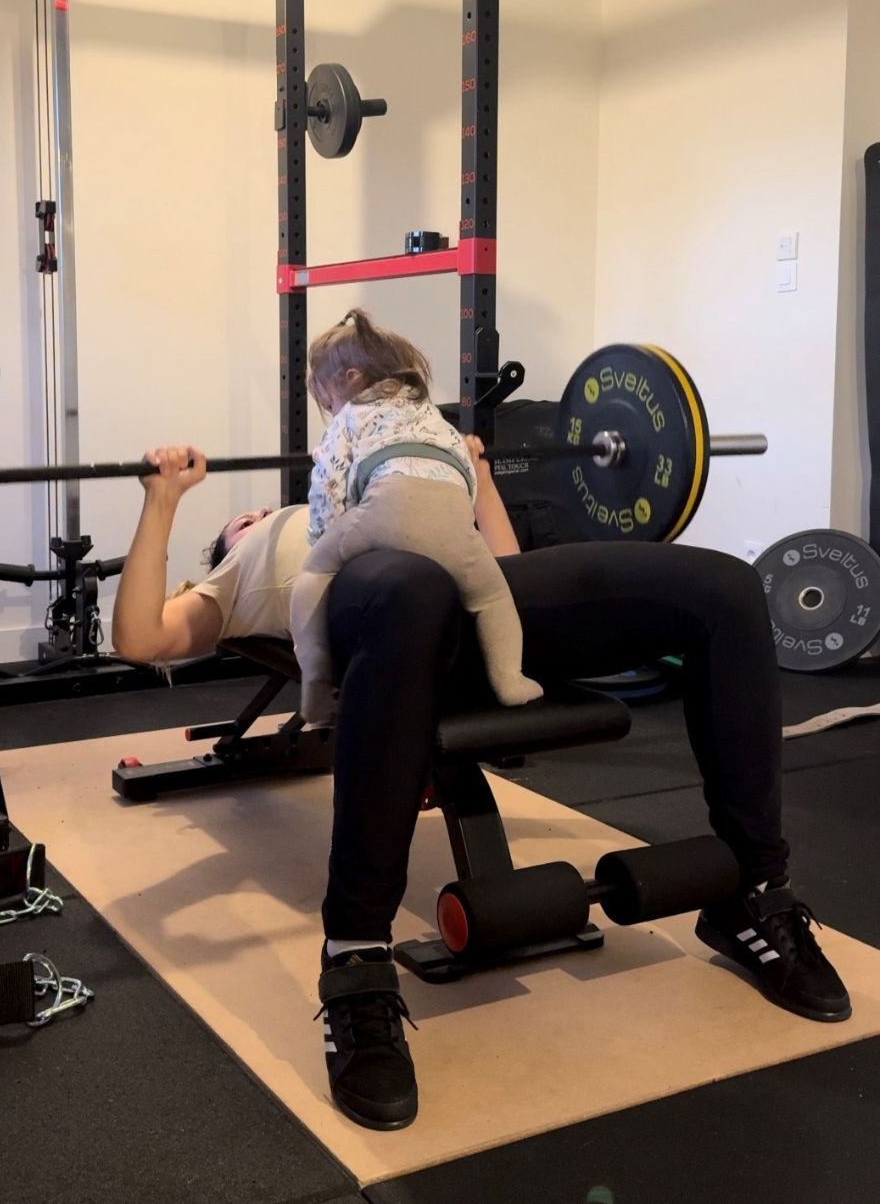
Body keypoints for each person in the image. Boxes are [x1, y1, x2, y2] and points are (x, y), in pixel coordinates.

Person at [112, 412, 851, 1138]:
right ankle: (355, 958)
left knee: (725, 587)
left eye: (260, 511)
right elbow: (140, 637)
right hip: (387, 613)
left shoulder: (367, 493)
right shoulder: (239, 574)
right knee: (410, 589)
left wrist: (480, 479)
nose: (257, 514)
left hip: (479, 604)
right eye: (243, 520)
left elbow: (504, 569)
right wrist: (162, 500)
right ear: (231, 544)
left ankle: (755, 892)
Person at [289, 309, 542, 724]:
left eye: (328, 400)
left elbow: (327, 485)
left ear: (351, 378)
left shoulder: (351, 416)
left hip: (386, 508)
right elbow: (465, 479)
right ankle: (510, 679)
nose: (331, 410)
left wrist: (326, 539)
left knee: (312, 575)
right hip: (454, 521)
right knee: (494, 598)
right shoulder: (434, 417)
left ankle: (316, 680)